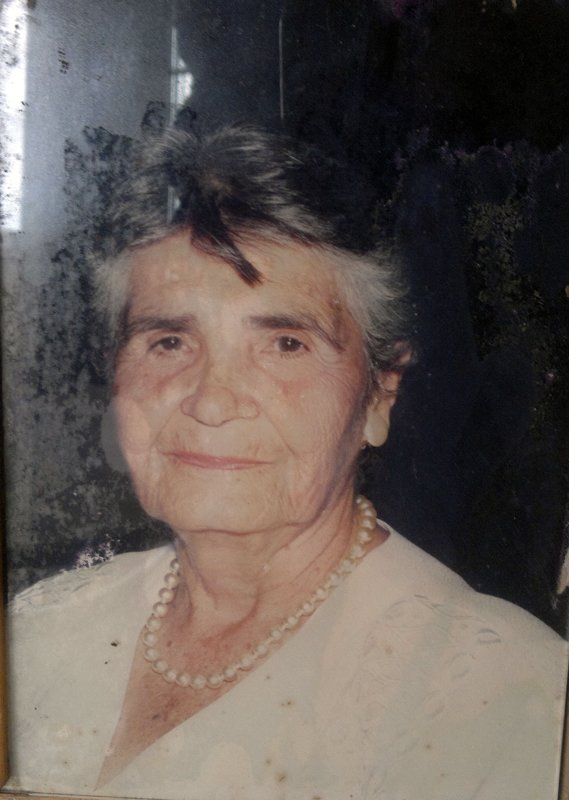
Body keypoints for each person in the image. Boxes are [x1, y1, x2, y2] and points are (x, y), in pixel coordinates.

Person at [6, 125, 568, 800]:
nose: (212, 402)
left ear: (377, 397)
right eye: (169, 341)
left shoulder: (498, 698)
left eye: (284, 344)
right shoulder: (35, 630)